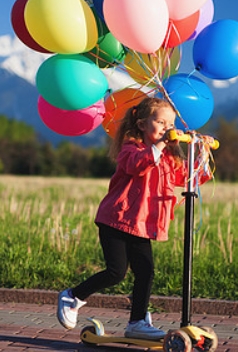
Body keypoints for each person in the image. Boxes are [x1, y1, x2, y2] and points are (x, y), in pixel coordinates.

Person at [56, 97, 211, 340]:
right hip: (116, 220)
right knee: (116, 272)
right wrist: (159, 146)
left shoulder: (169, 158)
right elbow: (136, 166)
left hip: (141, 225)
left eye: (170, 124)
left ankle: (137, 321)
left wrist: (201, 150)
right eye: (160, 122)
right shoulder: (132, 148)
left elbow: (187, 178)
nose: (166, 128)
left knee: (146, 271)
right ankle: (73, 296)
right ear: (141, 125)